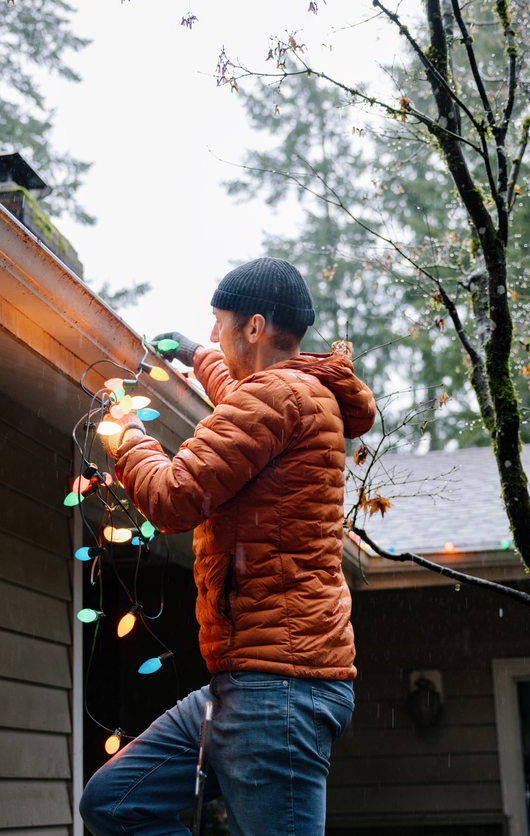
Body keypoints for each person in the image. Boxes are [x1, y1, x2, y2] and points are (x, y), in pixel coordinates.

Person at [82, 257, 376, 836]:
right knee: (114, 801)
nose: (215, 333)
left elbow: (172, 499)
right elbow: (245, 395)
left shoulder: (276, 398)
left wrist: (127, 434)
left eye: (219, 324)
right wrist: (196, 354)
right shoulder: (295, 392)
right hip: (250, 685)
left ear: (254, 327)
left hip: (278, 693)